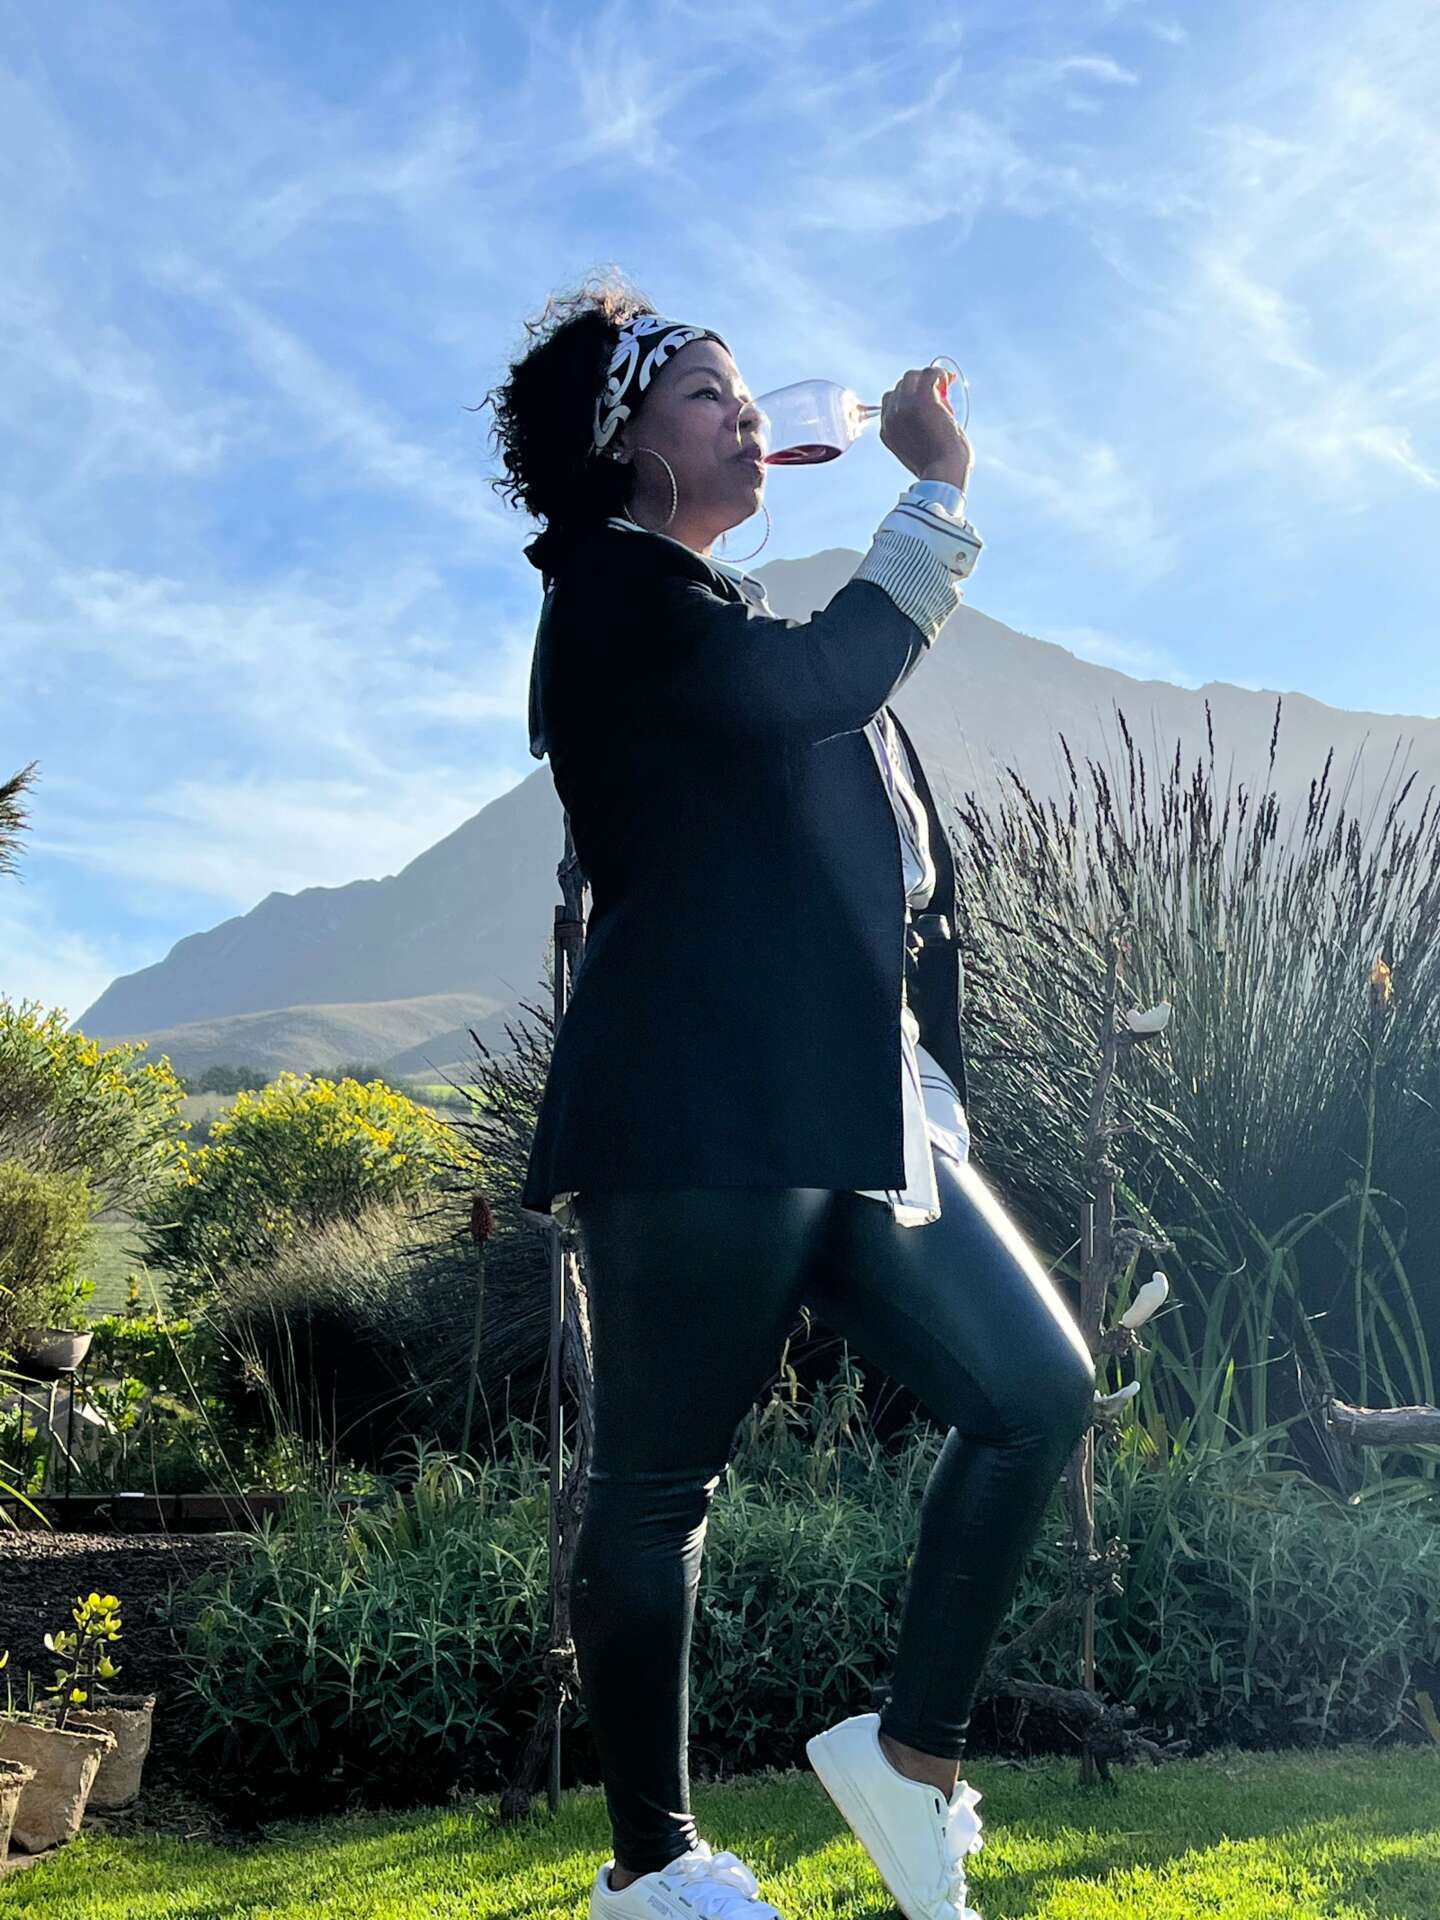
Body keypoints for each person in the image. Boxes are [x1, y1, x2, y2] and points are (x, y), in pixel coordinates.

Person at [482, 273, 1096, 1920]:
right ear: (626, 446)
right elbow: (822, 687)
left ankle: (911, 1761)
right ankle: (655, 1868)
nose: (746, 414)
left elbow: (841, 804)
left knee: (1037, 1389)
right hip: (695, 1094)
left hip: (847, 1095)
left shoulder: (706, 613)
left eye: (749, 391)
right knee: (656, 1486)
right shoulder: (612, 598)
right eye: (705, 392)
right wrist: (936, 493)